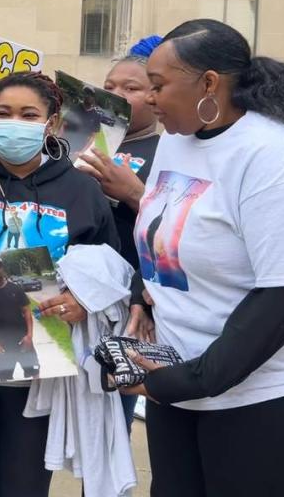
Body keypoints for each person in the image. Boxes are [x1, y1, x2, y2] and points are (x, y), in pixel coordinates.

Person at [119, 19, 284, 497]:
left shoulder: (278, 155)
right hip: (179, 387)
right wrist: (142, 299)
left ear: (209, 83)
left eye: (159, 86)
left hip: (264, 399)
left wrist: (191, 379)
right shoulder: (176, 138)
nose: (148, 99)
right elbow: (166, 236)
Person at [0, 71, 120, 497]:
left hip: (40, 375)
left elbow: (110, 266)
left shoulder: (81, 191)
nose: (15, 122)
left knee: (24, 488)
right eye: (4, 113)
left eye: (28, 114)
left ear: (51, 123)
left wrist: (81, 300)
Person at [77, 36, 164, 427]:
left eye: (131, 88)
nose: (115, 94)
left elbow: (180, 229)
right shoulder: (76, 142)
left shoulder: (168, 150)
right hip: (73, 296)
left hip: (127, 302)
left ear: (155, 98)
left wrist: (133, 194)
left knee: (111, 420)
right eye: (109, 87)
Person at [0, 257, 38, 381]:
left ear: (3, 267)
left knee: (34, 372)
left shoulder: (16, 288)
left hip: (22, 339)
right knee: (4, 377)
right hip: (1, 343)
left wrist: (29, 336)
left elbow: (27, 311)